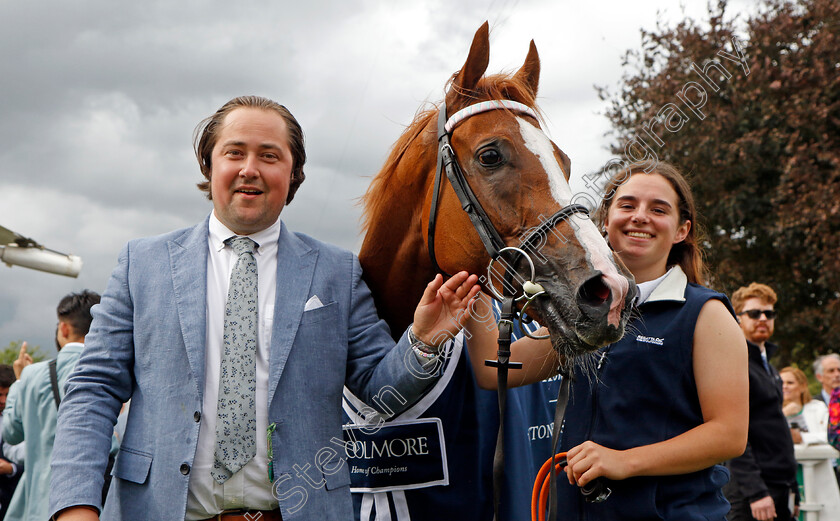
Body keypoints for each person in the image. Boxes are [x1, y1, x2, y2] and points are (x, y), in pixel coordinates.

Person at [48, 95, 480, 521]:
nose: (249, 168)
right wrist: (75, 505)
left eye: (270, 155)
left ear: (293, 174)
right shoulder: (141, 264)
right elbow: (93, 390)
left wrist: (422, 341)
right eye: (234, 152)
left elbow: (377, 391)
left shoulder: (337, 272)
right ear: (209, 165)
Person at [466, 160, 749, 520]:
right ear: (605, 219)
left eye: (658, 209)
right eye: (627, 205)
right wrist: (472, 284)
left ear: (681, 230)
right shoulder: (585, 310)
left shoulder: (705, 313)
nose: (640, 217)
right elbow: (494, 369)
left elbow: (729, 435)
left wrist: (622, 461)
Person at [3, 291, 100, 521]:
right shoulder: (107, 372)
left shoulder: (32, 375)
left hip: (37, 505)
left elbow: (11, 433)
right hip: (90, 504)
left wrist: (19, 382)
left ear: (64, 328)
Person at [725, 283, 798, 521]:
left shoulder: (771, 368)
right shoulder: (736, 364)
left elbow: (775, 429)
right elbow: (734, 433)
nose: (763, 318)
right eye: (755, 313)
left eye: (769, 313)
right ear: (738, 319)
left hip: (779, 485)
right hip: (752, 493)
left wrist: (793, 488)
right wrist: (756, 491)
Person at [780, 367, 828, 445]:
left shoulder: (818, 407)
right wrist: (783, 413)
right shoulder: (770, 410)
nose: (784, 386)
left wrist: (802, 437)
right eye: (781, 383)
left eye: (790, 383)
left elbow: (830, 435)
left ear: (802, 386)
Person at [0, 364, 24, 521]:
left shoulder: (22, 421)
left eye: (7, 395)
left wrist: (12, 468)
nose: (3, 401)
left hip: (10, 502)